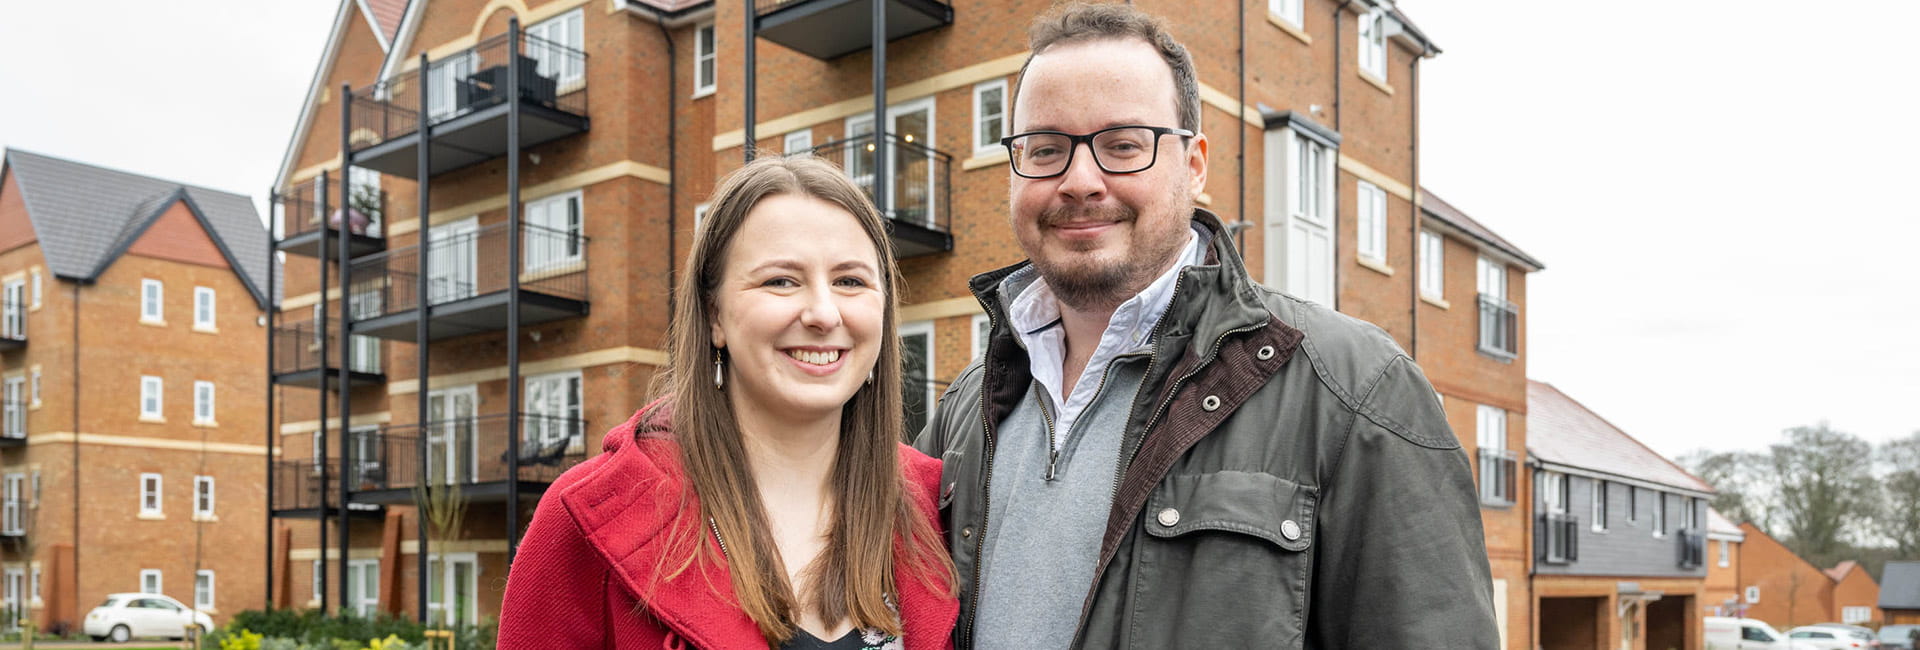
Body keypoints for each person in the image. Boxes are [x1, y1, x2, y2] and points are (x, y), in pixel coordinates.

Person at [912, 3, 1499, 648]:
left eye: (1123, 145)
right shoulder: (966, 408)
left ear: (1194, 165)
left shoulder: (1356, 393)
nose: (1080, 181)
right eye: (1046, 149)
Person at [500, 156, 957, 649]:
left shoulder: (944, 507)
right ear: (714, 315)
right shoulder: (584, 521)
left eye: (850, 281)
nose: (824, 314)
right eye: (781, 281)